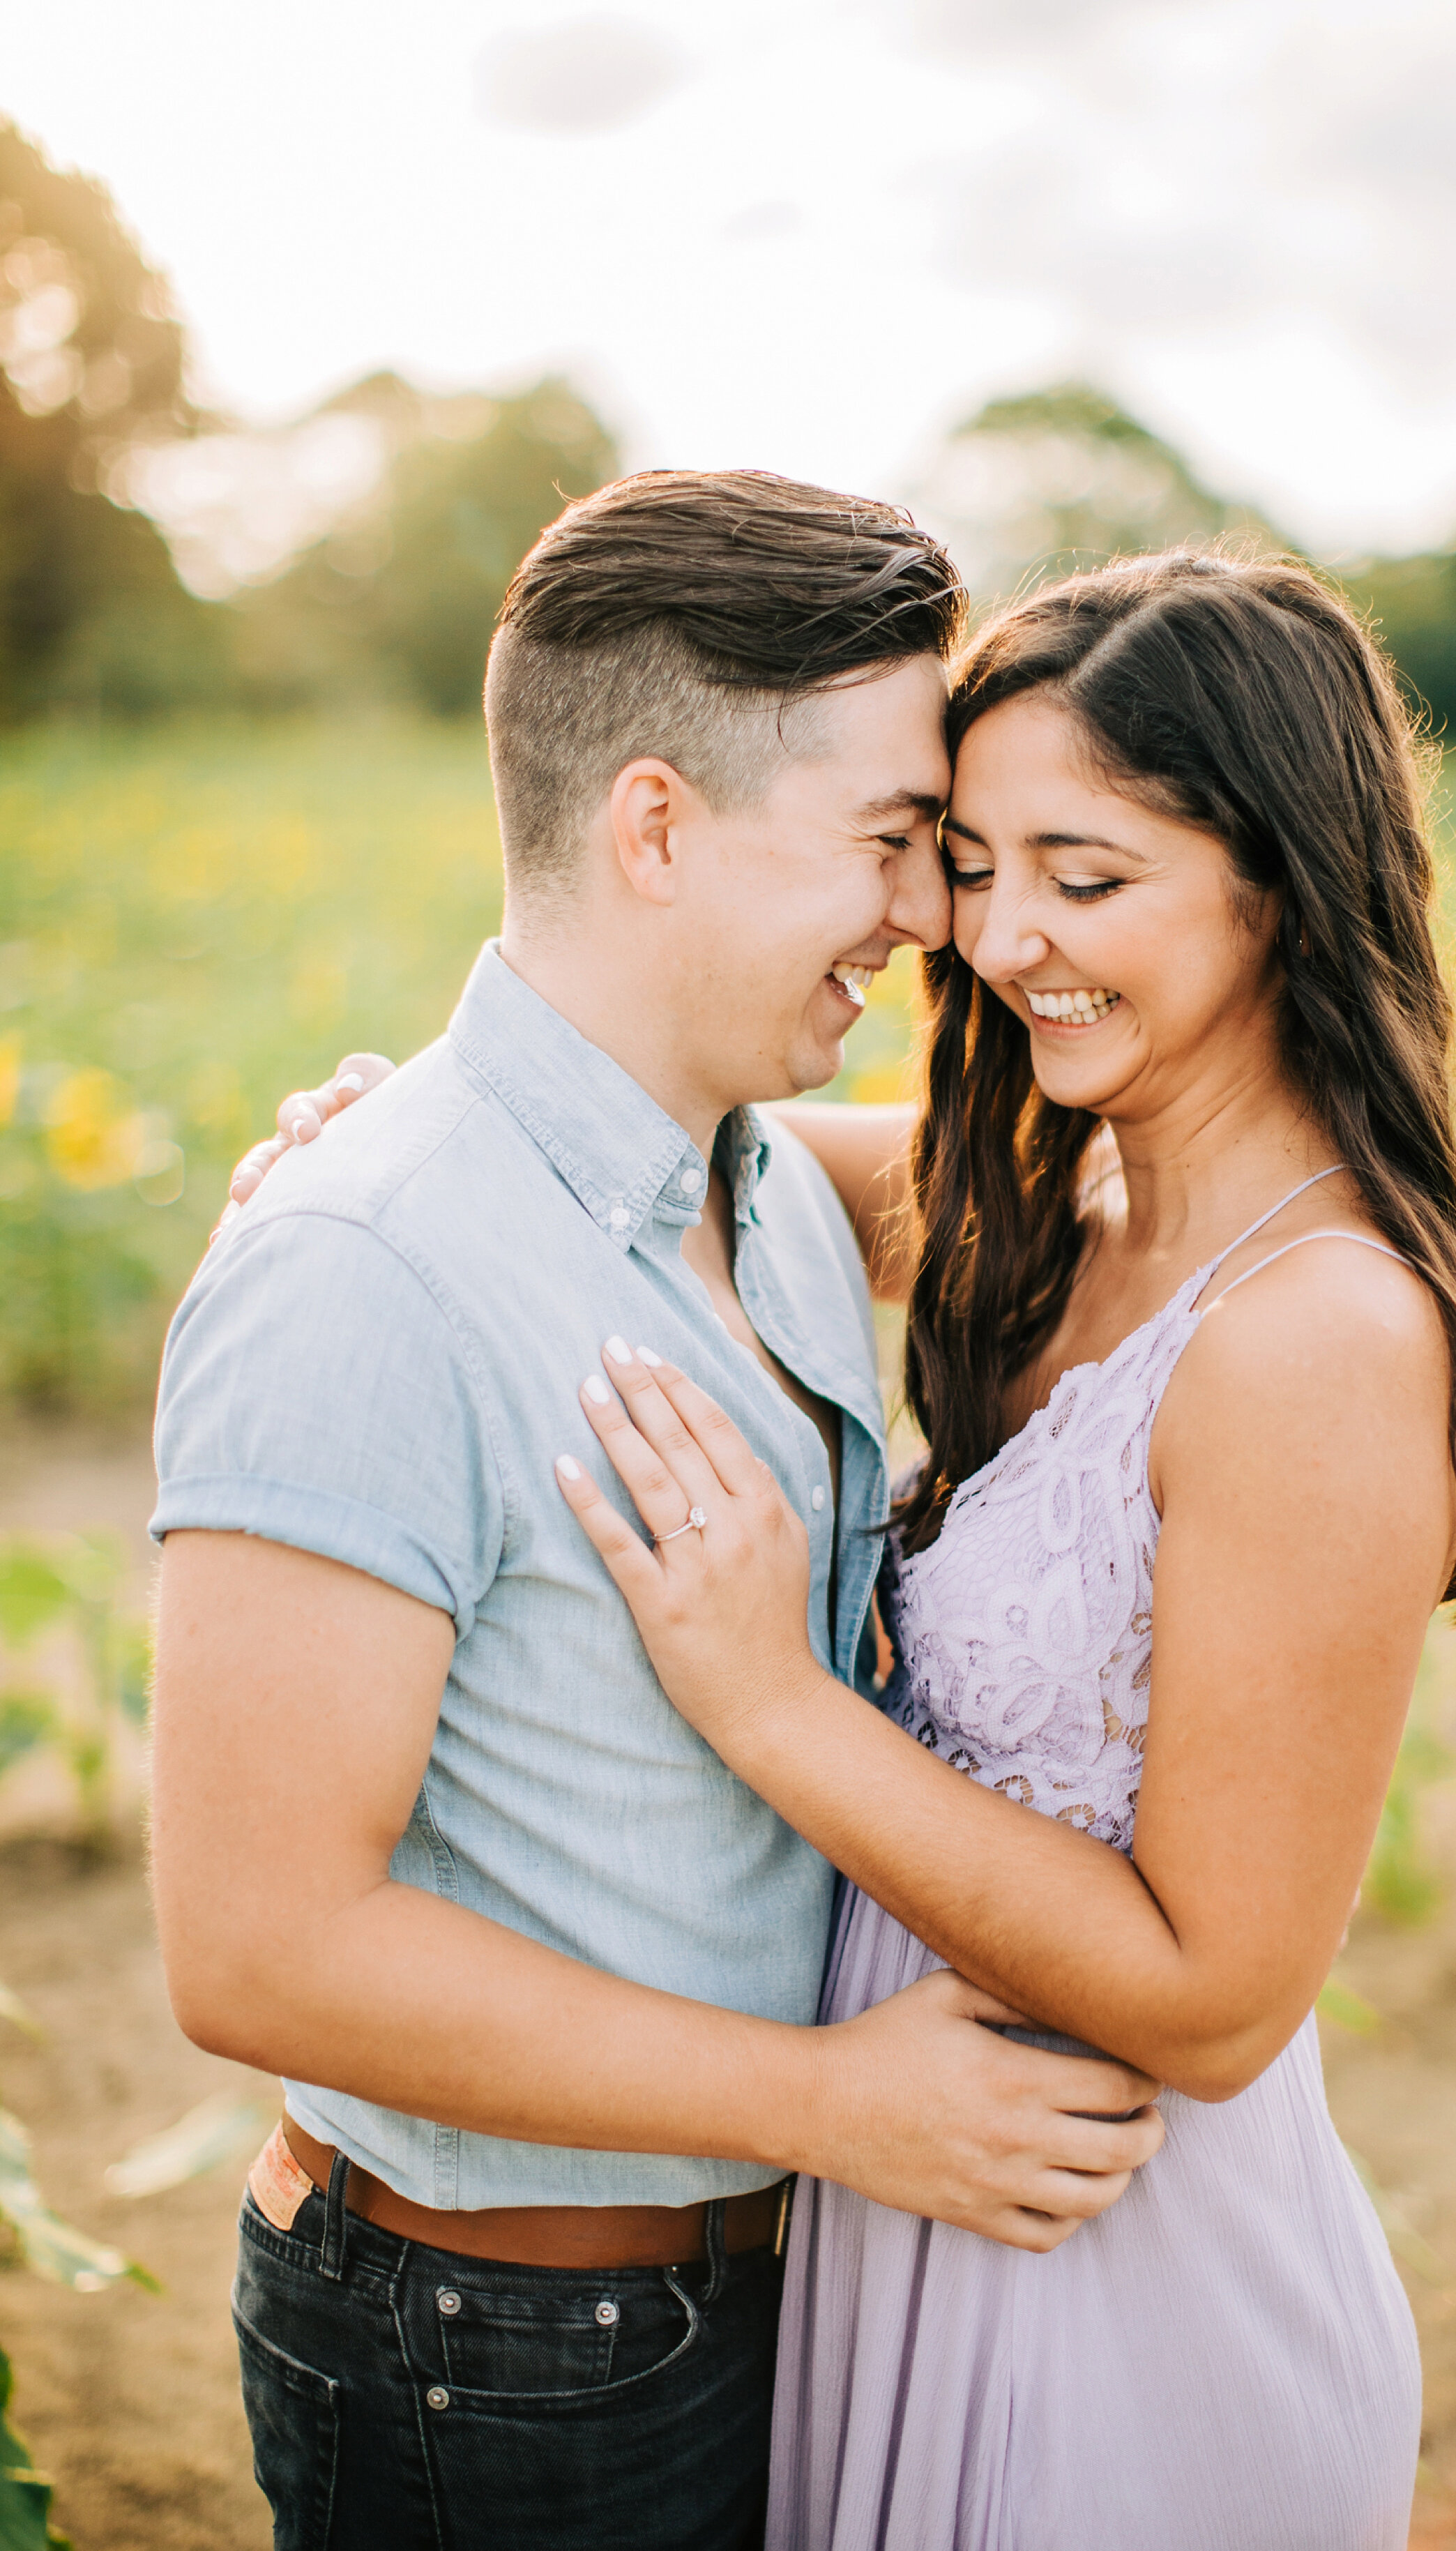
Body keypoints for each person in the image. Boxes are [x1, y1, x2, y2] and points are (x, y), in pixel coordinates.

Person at [149, 471, 1166, 2551]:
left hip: (762, 2289)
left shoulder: (765, 1175)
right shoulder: (361, 1267)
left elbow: (1165, 1174)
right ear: (655, 826)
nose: (933, 915)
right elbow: (258, 1948)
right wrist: (839, 2105)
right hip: (498, 2351)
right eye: (892, 837)